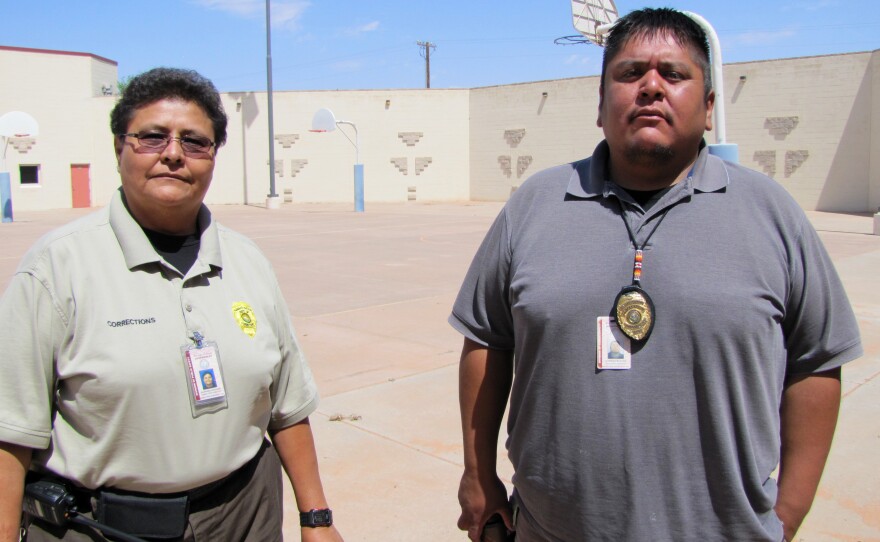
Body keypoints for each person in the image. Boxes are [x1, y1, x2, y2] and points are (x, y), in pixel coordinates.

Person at [450, 8, 862, 541]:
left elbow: (818, 359)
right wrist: (479, 473)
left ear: (709, 107)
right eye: (629, 73)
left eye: (674, 73)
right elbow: (487, 338)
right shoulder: (532, 205)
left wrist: (787, 515)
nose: (651, 86)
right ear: (600, 107)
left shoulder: (771, 213)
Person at [0, 68, 343, 542]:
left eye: (194, 141)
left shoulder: (248, 262)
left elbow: (288, 405)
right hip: (105, 525)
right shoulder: (57, 267)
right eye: (152, 137)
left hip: (245, 516)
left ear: (213, 157)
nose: (174, 154)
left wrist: (316, 518)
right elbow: (11, 429)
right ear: (120, 147)